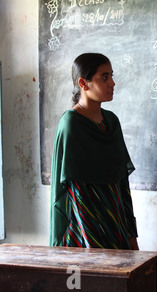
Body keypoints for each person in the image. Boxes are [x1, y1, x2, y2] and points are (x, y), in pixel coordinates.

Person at [50, 53, 139, 250]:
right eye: (104, 77)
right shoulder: (71, 124)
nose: (112, 83)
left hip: (116, 224)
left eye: (111, 76)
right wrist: (94, 243)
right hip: (84, 231)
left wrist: (131, 235)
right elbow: (75, 191)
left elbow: (122, 182)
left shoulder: (111, 122)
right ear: (83, 83)